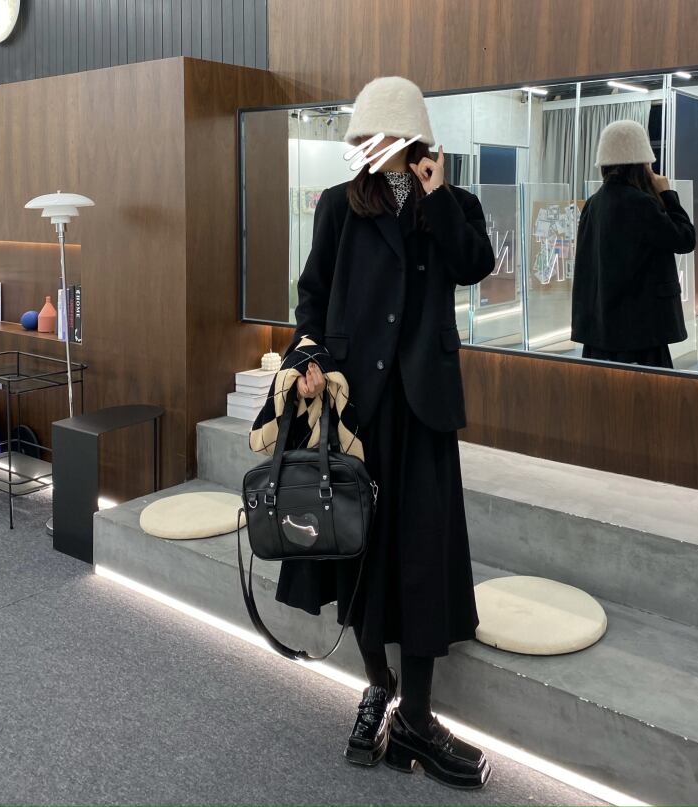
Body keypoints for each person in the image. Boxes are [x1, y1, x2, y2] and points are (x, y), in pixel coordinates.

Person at [276, 76, 495, 790]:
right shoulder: (339, 204)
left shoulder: (451, 202)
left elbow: (475, 265)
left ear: (414, 136)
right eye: (369, 134)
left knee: (423, 556)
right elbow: (312, 295)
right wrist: (307, 359)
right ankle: (379, 684)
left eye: (391, 132)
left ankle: (417, 720)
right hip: (358, 408)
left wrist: (436, 195)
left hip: (424, 407)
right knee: (360, 555)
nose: (379, 144)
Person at [571, 119, 696, 369]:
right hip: (641, 330)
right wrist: (667, 194)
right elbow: (684, 239)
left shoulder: (594, 202)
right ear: (640, 163)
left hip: (601, 328)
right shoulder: (641, 203)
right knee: (647, 391)